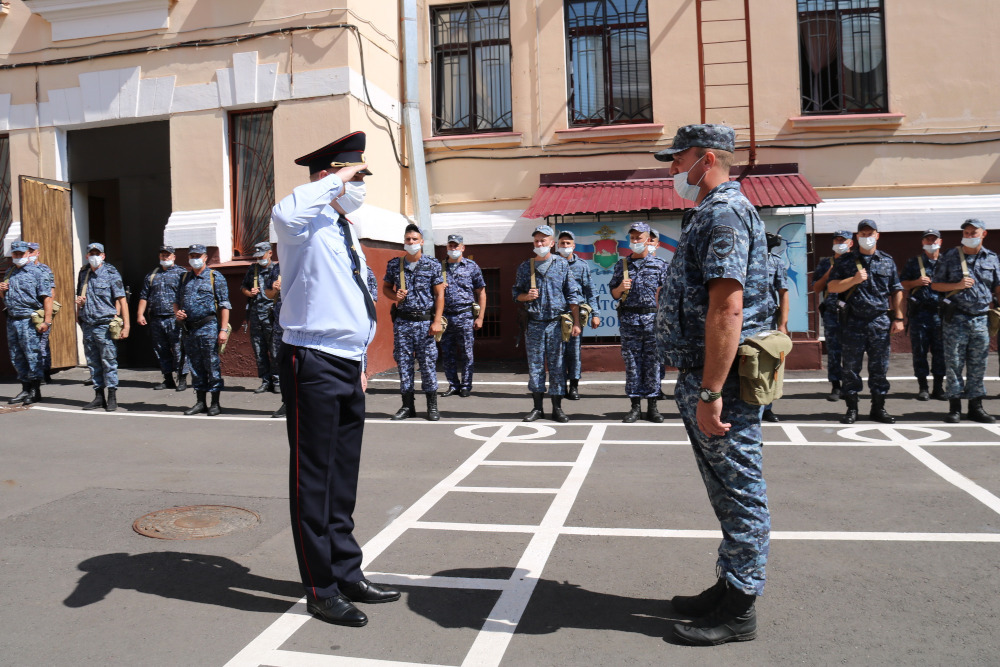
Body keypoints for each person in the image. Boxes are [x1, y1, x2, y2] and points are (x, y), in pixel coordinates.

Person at [272, 131, 400, 628]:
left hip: (346, 362)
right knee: (314, 481)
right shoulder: (302, 223)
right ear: (329, 176)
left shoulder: (342, 225)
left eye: (360, 175)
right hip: (312, 359)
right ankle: (320, 588)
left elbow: (354, 297)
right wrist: (337, 179)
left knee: (342, 479)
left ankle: (347, 572)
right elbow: (283, 213)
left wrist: (363, 362)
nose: (360, 183)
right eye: (355, 174)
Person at [654, 124, 773, 646]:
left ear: (706, 160)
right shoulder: (708, 211)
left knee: (741, 491)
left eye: (678, 160)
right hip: (707, 376)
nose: (673, 170)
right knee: (724, 489)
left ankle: (740, 606)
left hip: (722, 383)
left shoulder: (723, 212)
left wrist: (709, 392)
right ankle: (728, 587)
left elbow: (727, 307)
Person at [827, 219, 905, 424]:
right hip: (853, 321)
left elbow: (896, 289)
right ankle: (852, 409)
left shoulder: (886, 261)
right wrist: (853, 279)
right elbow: (832, 287)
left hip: (879, 321)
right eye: (862, 234)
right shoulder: (845, 262)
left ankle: (878, 408)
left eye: (870, 234)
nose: (866, 237)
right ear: (857, 237)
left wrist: (898, 317)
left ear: (877, 236)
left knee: (880, 367)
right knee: (851, 368)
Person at [932, 218, 1000, 423]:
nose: (969, 236)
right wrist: (959, 285)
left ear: (983, 234)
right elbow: (935, 286)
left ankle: (976, 406)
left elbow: (997, 287)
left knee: (978, 364)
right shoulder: (950, 257)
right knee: (953, 363)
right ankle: (954, 407)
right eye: (967, 233)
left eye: (974, 233)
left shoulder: (992, 258)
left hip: (981, 318)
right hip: (956, 318)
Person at [512, 225, 582, 423]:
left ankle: (557, 408)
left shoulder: (561, 265)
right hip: (534, 323)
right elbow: (515, 293)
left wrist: (576, 323)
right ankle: (537, 408)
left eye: (543, 240)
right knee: (535, 367)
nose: (540, 244)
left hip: (555, 323)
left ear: (552, 243)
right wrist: (526, 296)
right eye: (536, 241)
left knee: (557, 366)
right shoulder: (526, 266)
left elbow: (573, 295)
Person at [383, 224, 445, 420]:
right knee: (404, 364)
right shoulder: (395, 265)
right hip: (403, 323)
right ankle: (407, 406)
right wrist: (395, 296)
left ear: (422, 242)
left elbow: (439, 294)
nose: (411, 243)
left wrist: (436, 321)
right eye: (408, 239)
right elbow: (386, 288)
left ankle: (432, 406)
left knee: (427, 365)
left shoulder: (432, 264)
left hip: (426, 322)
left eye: (414, 239)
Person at [610, 222, 667, 423]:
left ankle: (653, 407)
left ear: (647, 240)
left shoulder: (660, 265)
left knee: (652, 364)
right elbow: (614, 294)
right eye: (632, 238)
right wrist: (620, 287)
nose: (635, 241)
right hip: (629, 321)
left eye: (639, 238)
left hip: (653, 321)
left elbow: (667, 297)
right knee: (632, 364)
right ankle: (634, 407)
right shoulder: (622, 265)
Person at [173, 244, 230, 416]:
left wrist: (223, 330)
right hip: (190, 329)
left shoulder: (215, 277)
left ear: (205, 257)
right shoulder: (184, 278)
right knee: (195, 365)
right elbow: (176, 301)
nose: (194, 259)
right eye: (192, 255)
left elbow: (224, 305)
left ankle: (215, 402)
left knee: (211, 364)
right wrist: (178, 313)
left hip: (208, 327)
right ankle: (200, 402)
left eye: (198, 255)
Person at [75, 243, 129, 412]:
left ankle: (112, 396)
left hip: (105, 324)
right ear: (86, 256)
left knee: (108, 362)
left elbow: (121, 300)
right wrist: (79, 309)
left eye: (97, 253)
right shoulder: (84, 273)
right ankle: (99, 397)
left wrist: (126, 325)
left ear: (103, 256)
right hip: (88, 324)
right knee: (93, 363)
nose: (94, 256)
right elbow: (80, 296)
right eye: (91, 253)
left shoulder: (111, 272)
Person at [2, 241, 52, 404]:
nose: (17, 257)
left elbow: (47, 298)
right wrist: (2, 291)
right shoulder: (10, 272)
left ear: (28, 254)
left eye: (21, 254)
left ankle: (35, 390)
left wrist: (47, 321)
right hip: (13, 319)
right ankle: (25, 389)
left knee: (32, 355)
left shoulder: (38, 272)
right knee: (17, 356)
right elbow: (6, 298)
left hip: (29, 320)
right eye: (15, 254)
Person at [137, 245, 190, 391]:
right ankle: (168, 379)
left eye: (167, 255)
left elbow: (188, 296)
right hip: (156, 318)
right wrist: (140, 314)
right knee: (160, 349)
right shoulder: (152, 275)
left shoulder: (182, 274)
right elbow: (144, 296)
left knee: (179, 349)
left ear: (174, 257)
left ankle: (182, 378)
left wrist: (184, 314)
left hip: (175, 318)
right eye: (162, 255)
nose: (164, 257)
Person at [438, 234, 486, 398]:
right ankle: (453, 384)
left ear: (462, 247)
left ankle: (466, 385)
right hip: (445, 317)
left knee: (466, 352)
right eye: (450, 246)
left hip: (465, 315)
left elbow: (482, 292)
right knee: (447, 353)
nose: (453, 249)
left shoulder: (472, 266)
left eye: (456, 246)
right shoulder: (439, 267)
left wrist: (480, 317)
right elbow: (432, 293)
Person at [900, 230, 946, 401]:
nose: (931, 242)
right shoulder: (914, 262)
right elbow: (903, 283)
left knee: (940, 353)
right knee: (919, 352)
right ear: (922, 242)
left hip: (941, 314)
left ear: (940, 242)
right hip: (920, 315)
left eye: (934, 239)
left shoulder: (947, 262)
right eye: (927, 239)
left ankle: (939, 387)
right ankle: (923, 387)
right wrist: (917, 282)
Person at [556, 230, 600, 400]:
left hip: (575, 316)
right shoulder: (552, 263)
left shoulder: (582, 266)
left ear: (573, 246)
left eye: (568, 243)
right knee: (557, 353)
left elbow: (591, 291)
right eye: (562, 243)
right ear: (557, 245)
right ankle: (560, 386)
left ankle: (573, 386)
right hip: (556, 315)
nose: (565, 246)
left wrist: (595, 313)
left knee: (574, 353)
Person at [811, 230, 853, 401]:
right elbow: (816, 288)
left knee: (851, 351)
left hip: (853, 312)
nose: (839, 242)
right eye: (837, 239)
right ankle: (836, 386)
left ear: (851, 242)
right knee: (834, 351)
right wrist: (828, 274)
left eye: (843, 240)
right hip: (832, 312)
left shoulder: (857, 262)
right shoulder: (825, 264)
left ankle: (850, 386)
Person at [241, 241, 280, 394]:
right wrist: (249, 293)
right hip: (256, 314)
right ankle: (265, 381)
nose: (259, 259)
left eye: (261, 255)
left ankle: (277, 380)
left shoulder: (277, 269)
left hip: (271, 315)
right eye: (256, 256)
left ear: (270, 253)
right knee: (259, 349)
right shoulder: (253, 269)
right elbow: (243, 287)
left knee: (275, 350)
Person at [762, 232, 789, 422]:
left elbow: (783, 293)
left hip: (768, 321)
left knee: (769, 366)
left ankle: (767, 407)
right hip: (744, 321)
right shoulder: (742, 259)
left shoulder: (776, 262)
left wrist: (782, 324)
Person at [26, 242, 55, 384]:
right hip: (26, 313)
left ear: (38, 253)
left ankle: (44, 371)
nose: (29, 254)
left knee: (42, 343)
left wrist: (47, 312)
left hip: (40, 311)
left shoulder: (44, 270)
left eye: (32, 251)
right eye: (28, 251)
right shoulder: (21, 270)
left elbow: (51, 292)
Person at [263, 267, 286, 418]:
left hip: (303, 327)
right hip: (280, 326)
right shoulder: (276, 269)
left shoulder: (305, 261)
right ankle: (287, 402)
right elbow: (268, 294)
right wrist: (274, 290)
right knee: (283, 365)